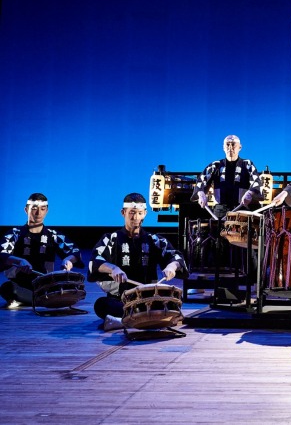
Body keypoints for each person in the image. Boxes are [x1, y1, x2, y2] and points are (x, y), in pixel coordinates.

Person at [88, 193, 188, 330]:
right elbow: (95, 260)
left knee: (174, 301)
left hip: (149, 299)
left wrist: (172, 267)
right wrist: (113, 269)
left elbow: (176, 257)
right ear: (123, 213)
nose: (136, 218)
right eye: (132, 213)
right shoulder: (111, 239)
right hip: (122, 300)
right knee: (101, 305)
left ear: (145, 213)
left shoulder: (154, 240)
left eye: (140, 213)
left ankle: (126, 320)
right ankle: (149, 319)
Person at [0, 193, 83, 308]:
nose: (38, 213)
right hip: (20, 285)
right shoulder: (14, 233)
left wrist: (68, 260)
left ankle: (31, 300)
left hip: (45, 285)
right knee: (8, 288)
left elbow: (75, 252)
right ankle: (47, 300)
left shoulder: (53, 235)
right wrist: (19, 261)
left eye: (42, 209)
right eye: (34, 208)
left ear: (46, 211)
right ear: (26, 210)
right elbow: (2, 254)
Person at [192, 134, 263, 219]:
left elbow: (256, 181)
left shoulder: (247, 164)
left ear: (240, 147)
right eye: (227, 144)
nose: (230, 147)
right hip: (220, 212)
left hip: (241, 209)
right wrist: (201, 193)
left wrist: (250, 193)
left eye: (233, 144)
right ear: (223, 147)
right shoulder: (215, 165)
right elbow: (201, 180)